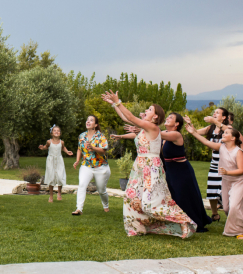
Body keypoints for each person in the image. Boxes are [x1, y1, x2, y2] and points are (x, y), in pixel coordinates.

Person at [101, 91, 196, 238]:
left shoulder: (153, 128)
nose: (146, 111)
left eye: (149, 110)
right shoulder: (144, 128)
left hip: (151, 167)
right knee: (132, 197)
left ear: (156, 116)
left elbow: (131, 117)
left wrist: (118, 101)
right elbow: (127, 118)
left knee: (151, 202)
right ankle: (137, 228)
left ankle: (183, 220)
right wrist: (114, 105)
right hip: (139, 166)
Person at [113, 113, 212, 232]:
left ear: (176, 124)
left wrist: (143, 127)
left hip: (181, 170)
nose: (168, 118)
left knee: (184, 197)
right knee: (172, 197)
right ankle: (177, 221)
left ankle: (194, 221)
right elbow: (142, 134)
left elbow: (156, 133)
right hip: (169, 170)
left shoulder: (176, 134)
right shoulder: (162, 133)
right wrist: (122, 136)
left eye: (171, 118)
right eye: (168, 116)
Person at [185, 121, 243, 239]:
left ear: (233, 138)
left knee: (235, 206)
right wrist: (193, 132)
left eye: (226, 133)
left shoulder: (238, 152)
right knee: (226, 208)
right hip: (226, 180)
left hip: (238, 181)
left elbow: (241, 170)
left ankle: (238, 231)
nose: (223, 135)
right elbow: (205, 141)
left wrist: (227, 172)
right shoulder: (221, 147)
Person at [194, 107, 230, 221]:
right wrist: (189, 125)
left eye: (217, 113)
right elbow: (195, 132)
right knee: (212, 189)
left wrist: (215, 121)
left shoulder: (226, 129)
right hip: (214, 163)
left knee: (226, 190)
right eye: (214, 112)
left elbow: (232, 131)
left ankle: (231, 214)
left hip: (226, 164)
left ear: (224, 117)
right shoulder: (211, 128)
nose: (214, 114)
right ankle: (215, 214)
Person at [72, 116, 111, 215]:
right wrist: (77, 160)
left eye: (91, 120)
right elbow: (79, 149)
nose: (88, 121)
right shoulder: (81, 136)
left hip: (101, 167)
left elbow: (103, 151)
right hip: (86, 166)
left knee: (101, 190)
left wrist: (93, 148)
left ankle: (105, 205)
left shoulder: (100, 136)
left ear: (96, 125)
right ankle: (79, 209)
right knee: (82, 185)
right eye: (87, 120)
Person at [39, 125, 74, 203]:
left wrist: (67, 151)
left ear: (60, 133)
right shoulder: (49, 141)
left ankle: (59, 193)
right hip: (50, 161)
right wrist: (42, 148)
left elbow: (63, 147)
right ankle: (51, 196)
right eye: (55, 130)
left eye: (58, 131)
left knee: (60, 176)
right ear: (52, 133)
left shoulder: (62, 142)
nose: (56, 132)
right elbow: (46, 147)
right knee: (51, 177)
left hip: (59, 160)